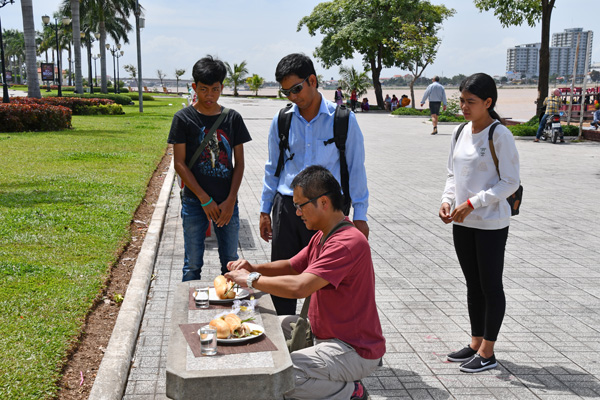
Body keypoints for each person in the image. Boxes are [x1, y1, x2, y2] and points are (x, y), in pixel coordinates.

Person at [227, 165, 385, 400]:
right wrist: (254, 267)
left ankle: (352, 392)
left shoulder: (346, 242)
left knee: (282, 376)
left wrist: (252, 279)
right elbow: (292, 265)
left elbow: (300, 286)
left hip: (353, 349)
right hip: (323, 334)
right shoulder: (324, 235)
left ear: (323, 202)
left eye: (300, 206)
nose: (298, 213)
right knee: (265, 327)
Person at [260, 53, 369, 315]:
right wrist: (265, 210)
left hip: (325, 212)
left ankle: (318, 337)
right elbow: (272, 167)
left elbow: (356, 169)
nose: (293, 97)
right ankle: (285, 335)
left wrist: (361, 215)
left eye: (297, 89)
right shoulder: (282, 120)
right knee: (284, 272)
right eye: (285, 92)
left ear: (313, 80)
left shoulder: (342, 119)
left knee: (322, 283)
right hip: (287, 208)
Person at [439, 73, 520, 373]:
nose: (463, 106)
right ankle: (475, 342)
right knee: (473, 284)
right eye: (461, 100)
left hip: (490, 223)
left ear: (488, 102)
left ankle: (488, 351)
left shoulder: (499, 135)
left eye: (470, 102)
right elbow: (452, 174)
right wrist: (447, 200)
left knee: (490, 285)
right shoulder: (460, 131)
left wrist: (475, 202)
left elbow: (510, 183)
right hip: (461, 222)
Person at [168, 55, 252, 281]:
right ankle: (187, 313)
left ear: (222, 88)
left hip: (226, 203)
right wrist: (204, 199)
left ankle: (230, 312)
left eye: (215, 89)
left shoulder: (232, 119)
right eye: (204, 89)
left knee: (231, 263)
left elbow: (240, 163)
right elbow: (179, 164)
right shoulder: (183, 119)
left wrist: (231, 199)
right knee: (192, 264)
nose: (210, 96)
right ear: (194, 87)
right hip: (196, 202)